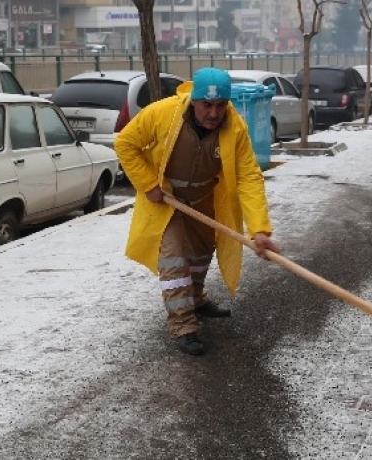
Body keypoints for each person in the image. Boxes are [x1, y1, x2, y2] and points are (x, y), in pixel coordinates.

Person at [114, 67, 280, 356]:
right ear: (194, 100)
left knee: (202, 254)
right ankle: (183, 325)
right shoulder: (163, 114)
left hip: (204, 196)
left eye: (220, 105)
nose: (214, 113)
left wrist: (259, 229)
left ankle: (196, 298)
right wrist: (149, 184)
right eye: (207, 105)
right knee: (175, 260)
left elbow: (249, 176)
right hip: (167, 200)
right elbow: (125, 143)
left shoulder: (234, 127)